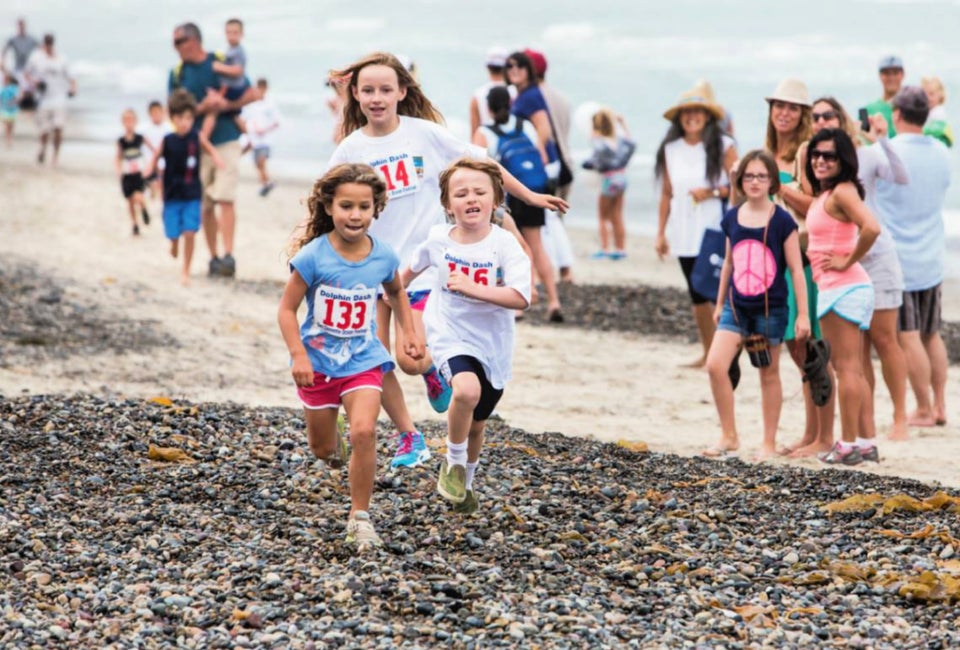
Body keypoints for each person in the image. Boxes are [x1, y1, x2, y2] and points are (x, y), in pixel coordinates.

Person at [326, 52, 567, 470]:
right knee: (371, 358)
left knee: (410, 358)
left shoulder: (425, 134)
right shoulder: (351, 148)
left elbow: (483, 165)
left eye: (386, 89)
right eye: (367, 90)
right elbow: (328, 201)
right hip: (373, 267)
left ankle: (434, 370)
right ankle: (409, 437)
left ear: (403, 91)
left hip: (422, 267)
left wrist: (528, 197)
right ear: (356, 96)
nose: (377, 98)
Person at [278, 163, 425, 551]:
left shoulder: (383, 256)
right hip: (319, 366)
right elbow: (286, 310)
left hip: (363, 359)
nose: (355, 215)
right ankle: (334, 448)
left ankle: (359, 518)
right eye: (346, 206)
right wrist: (298, 356)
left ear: (376, 209)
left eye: (364, 206)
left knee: (364, 431)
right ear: (329, 207)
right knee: (323, 449)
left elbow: (396, 293)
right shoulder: (313, 257)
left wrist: (408, 332)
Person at [402, 158, 531, 513]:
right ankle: (453, 462)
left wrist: (477, 289)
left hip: (494, 343)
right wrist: (389, 295)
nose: (470, 198)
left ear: (496, 199)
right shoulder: (438, 238)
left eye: (479, 192)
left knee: (477, 424)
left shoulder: (506, 245)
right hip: (449, 331)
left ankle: (466, 485)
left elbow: (521, 297)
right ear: (447, 204)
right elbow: (409, 272)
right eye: (461, 193)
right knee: (466, 390)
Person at [805, 97, 910, 444]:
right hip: (845, 274)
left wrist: (881, 138)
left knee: (882, 342)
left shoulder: (860, 159)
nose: (821, 120)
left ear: (841, 118)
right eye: (815, 116)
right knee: (856, 359)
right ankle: (865, 435)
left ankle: (894, 422)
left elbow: (898, 178)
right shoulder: (825, 179)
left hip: (870, 262)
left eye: (828, 115)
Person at [704, 150, 808, 460]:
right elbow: (728, 263)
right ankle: (729, 434)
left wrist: (803, 314)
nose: (754, 182)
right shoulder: (732, 217)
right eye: (749, 176)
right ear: (740, 180)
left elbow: (796, 269)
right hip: (735, 307)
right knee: (715, 365)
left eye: (762, 176)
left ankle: (767, 443)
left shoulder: (782, 220)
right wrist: (720, 301)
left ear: (772, 182)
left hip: (770, 309)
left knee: (768, 373)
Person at [760, 79, 835, 459]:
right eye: (779, 106)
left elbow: (818, 207)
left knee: (812, 349)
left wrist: (781, 185)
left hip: (804, 259)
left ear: (802, 115)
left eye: (792, 107)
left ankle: (825, 436)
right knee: (796, 349)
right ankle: (811, 435)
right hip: (774, 261)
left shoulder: (807, 152)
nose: (784, 113)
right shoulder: (767, 151)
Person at [874, 87, 952, 429]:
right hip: (932, 255)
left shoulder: (886, 150)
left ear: (897, 115)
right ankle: (940, 405)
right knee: (931, 334)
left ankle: (921, 408)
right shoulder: (941, 151)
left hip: (900, 259)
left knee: (907, 334)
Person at [805, 128, 882, 465]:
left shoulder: (843, 192)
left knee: (846, 369)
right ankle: (864, 442)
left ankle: (848, 444)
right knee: (854, 368)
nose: (821, 160)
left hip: (844, 287)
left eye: (830, 156)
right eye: (816, 154)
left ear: (844, 160)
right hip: (843, 288)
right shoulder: (830, 193)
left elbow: (872, 228)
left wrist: (847, 259)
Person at [655, 87, 737, 367]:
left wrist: (712, 192)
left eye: (697, 112)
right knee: (696, 294)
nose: (692, 117)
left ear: (707, 116)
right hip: (683, 230)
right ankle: (709, 351)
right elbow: (667, 192)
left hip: (714, 228)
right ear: (680, 118)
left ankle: (727, 352)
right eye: (687, 113)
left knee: (717, 291)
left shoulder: (724, 145)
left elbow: (742, 186)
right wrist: (660, 233)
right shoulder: (670, 149)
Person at [170, 22, 258, 278]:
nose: (176, 48)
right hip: (195, 147)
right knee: (206, 203)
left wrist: (225, 104)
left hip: (227, 138)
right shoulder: (177, 74)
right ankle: (214, 257)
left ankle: (229, 256)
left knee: (225, 197)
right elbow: (172, 114)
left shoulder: (220, 62)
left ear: (194, 40)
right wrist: (203, 108)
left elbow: (250, 93)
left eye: (179, 41)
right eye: (174, 43)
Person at [472, 84, 562, 321]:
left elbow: (476, 168)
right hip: (533, 189)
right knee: (536, 245)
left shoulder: (484, 132)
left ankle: (520, 304)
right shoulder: (526, 126)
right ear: (510, 105)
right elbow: (541, 157)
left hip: (507, 198)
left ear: (489, 108)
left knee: (513, 247)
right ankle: (553, 300)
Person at [145, 89, 217, 286]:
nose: (185, 122)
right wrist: (148, 169)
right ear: (172, 118)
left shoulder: (196, 136)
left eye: (188, 117)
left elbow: (208, 146)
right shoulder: (168, 140)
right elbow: (155, 157)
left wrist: (217, 158)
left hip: (192, 192)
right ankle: (173, 242)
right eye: (180, 117)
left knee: (190, 232)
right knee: (173, 232)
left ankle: (185, 270)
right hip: (171, 194)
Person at [519, 48, 575, 283]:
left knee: (542, 225)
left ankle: (554, 271)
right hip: (565, 163)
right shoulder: (561, 97)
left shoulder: (533, 97)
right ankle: (561, 269)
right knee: (554, 221)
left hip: (545, 166)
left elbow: (544, 132)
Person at [199, 18, 252, 170]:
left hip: (234, 88)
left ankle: (203, 137)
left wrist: (218, 67)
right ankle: (250, 137)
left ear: (241, 34)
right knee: (234, 114)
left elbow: (238, 71)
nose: (231, 36)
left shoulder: (239, 51)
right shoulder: (229, 50)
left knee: (214, 108)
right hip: (230, 86)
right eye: (229, 32)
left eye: (235, 33)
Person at [583, 108, 635, 260]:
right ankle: (620, 248)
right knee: (617, 215)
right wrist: (623, 124)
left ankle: (604, 248)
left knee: (603, 216)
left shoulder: (600, 142)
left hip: (608, 180)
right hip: (622, 178)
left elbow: (594, 160)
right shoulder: (618, 140)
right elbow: (631, 143)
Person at [24, 33, 75, 166]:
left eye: (50, 43)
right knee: (44, 130)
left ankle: (55, 157)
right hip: (43, 99)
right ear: (44, 43)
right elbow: (26, 74)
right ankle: (42, 149)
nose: (48, 45)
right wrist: (35, 83)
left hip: (59, 98)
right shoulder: (36, 58)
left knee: (59, 127)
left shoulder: (61, 59)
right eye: (46, 43)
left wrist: (73, 88)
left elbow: (71, 76)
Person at [115, 108, 154, 236]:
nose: (129, 123)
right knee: (130, 200)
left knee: (139, 196)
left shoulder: (140, 138)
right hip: (127, 174)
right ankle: (135, 224)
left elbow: (154, 150)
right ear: (122, 122)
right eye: (126, 120)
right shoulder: (121, 141)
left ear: (136, 121)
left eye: (131, 120)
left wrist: (150, 165)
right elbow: (118, 157)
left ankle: (143, 208)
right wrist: (119, 170)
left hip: (138, 172)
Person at [240, 77, 281, 196]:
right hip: (252, 138)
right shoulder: (251, 103)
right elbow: (243, 118)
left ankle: (267, 183)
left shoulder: (270, 104)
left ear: (266, 89)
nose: (261, 91)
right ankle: (265, 184)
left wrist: (264, 130)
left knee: (261, 161)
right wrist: (246, 131)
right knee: (257, 163)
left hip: (265, 139)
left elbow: (277, 122)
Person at [468, 46, 513, 136]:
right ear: (507, 67)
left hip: (487, 146)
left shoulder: (477, 95)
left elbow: (474, 133)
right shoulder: (515, 91)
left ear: (488, 67)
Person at [864, 55, 904, 140]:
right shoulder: (865, 110)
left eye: (895, 73)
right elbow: (862, 139)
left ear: (902, 75)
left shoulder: (914, 108)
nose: (891, 78)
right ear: (880, 75)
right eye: (887, 74)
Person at [141, 100, 171, 199]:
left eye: (158, 112)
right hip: (149, 161)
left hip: (163, 161)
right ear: (149, 114)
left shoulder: (168, 128)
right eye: (153, 112)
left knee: (162, 184)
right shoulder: (144, 128)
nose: (156, 115)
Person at [2, 18, 38, 84]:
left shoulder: (31, 39)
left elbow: (41, 49)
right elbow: (4, 51)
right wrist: (3, 62)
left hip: (29, 70)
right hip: (17, 69)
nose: (21, 28)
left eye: (23, 26)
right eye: (20, 26)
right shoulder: (13, 39)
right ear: (18, 27)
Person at [921, 76, 953, 148]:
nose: (927, 98)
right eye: (924, 94)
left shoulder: (938, 112)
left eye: (931, 94)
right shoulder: (928, 111)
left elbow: (933, 130)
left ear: (940, 95)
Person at [1, 73, 19, 147]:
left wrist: (11, 102)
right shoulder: (3, 88)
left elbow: (17, 97)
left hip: (12, 109)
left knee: (10, 126)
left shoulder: (13, 88)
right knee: (7, 125)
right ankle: (8, 140)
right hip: (5, 109)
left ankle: (9, 139)